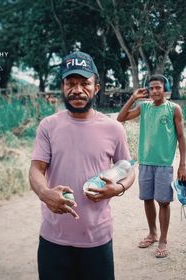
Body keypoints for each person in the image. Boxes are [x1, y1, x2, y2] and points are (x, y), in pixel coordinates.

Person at [29, 51, 135, 280]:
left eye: (85, 83)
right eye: (71, 83)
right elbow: (36, 169)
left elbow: (127, 169)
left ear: (96, 87)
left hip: (97, 237)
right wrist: (45, 193)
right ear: (63, 87)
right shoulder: (48, 126)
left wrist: (118, 189)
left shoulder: (113, 128)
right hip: (53, 237)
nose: (77, 89)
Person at [117, 74, 186, 258]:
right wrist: (133, 98)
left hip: (164, 164)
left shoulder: (174, 109)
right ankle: (152, 233)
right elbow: (120, 118)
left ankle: (163, 239)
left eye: (158, 87)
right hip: (145, 162)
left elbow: (181, 137)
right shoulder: (144, 107)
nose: (155, 91)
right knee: (147, 198)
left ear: (165, 89)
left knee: (163, 202)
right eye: (152, 88)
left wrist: (182, 165)